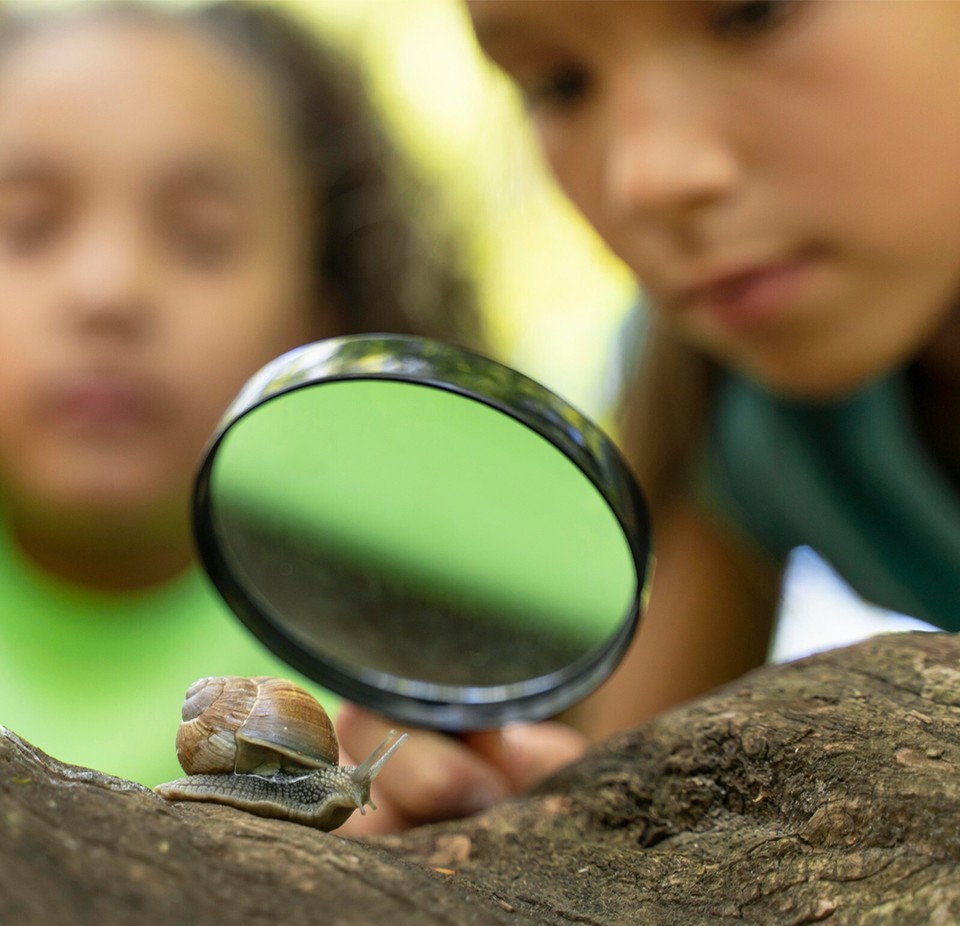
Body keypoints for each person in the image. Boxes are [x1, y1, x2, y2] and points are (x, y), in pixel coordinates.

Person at [337, 0, 960, 834]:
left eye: (752, 15)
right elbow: (637, 777)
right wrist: (493, 799)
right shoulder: (728, 397)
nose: (648, 177)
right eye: (561, 84)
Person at [0, 0, 478, 786]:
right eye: (26, 227)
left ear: (315, 318)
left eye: (201, 238)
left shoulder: (397, 653)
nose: (108, 290)